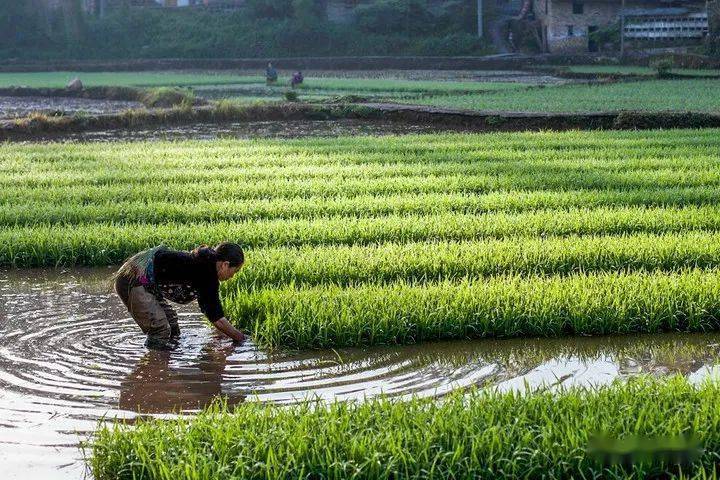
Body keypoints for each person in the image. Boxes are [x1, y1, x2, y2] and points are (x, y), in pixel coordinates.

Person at [114, 242, 246, 350]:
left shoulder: (207, 265)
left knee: (171, 324)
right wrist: (241, 339)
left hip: (148, 283)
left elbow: (213, 311)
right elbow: (217, 318)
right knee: (160, 330)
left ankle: (169, 358)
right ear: (225, 264)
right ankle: (154, 368)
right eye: (235, 271)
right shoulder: (207, 272)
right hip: (132, 279)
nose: (232, 276)